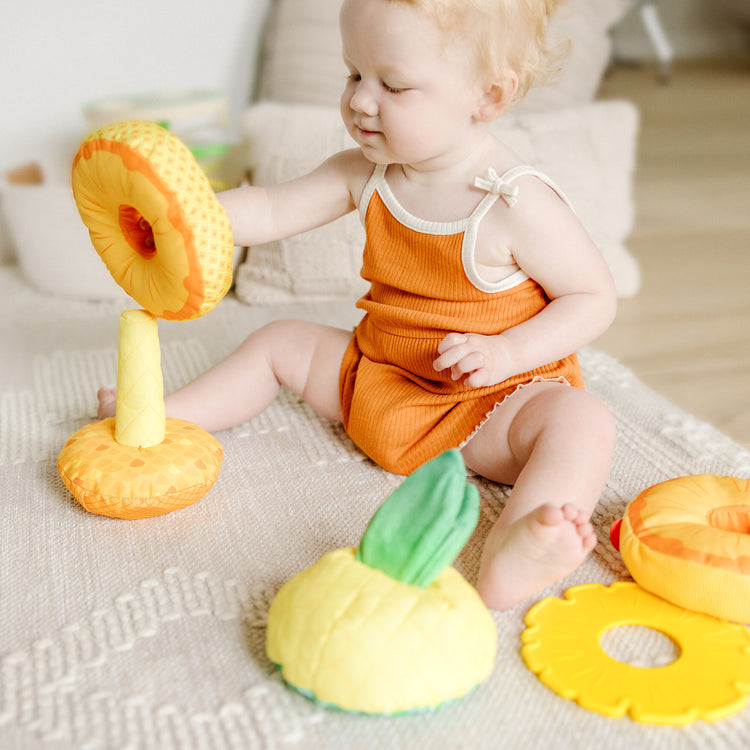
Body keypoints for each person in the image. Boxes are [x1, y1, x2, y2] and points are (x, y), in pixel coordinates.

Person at [99, 0, 617, 610]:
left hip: (486, 405)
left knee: (581, 422)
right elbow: (269, 210)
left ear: (489, 97)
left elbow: (592, 297)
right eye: (353, 74)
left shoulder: (514, 202)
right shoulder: (365, 171)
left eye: (393, 84)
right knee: (279, 341)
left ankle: (520, 542)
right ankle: (165, 416)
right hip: (373, 384)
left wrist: (510, 352)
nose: (361, 101)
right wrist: (183, 219)